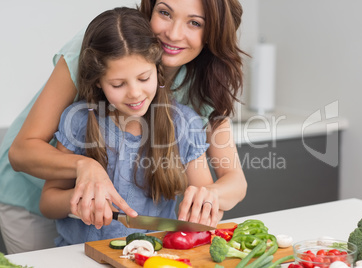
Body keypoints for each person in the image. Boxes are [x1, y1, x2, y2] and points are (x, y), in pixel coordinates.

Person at [0, 0, 247, 254]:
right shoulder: (104, 45)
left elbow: (234, 180)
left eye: (195, 22)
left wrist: (208, 197)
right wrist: (85, 168)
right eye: (164, 12)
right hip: (29, 194)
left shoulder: (198, 96)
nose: (173, 34)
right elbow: (24, 154)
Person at [39, 7, 213, 246]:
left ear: (157, 70)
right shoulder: (78, 121)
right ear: (98, 81)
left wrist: (204, 206)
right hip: (79, 255)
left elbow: (207, 200)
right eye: (118, 84)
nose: (135, 93)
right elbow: (47, 203)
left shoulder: (184, 124)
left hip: (153, 256)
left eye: (144, 78)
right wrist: (79, 200)